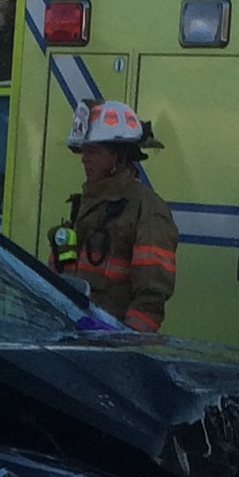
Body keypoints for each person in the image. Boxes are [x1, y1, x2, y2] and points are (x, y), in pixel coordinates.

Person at [48, 99, 178, 332]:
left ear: (119, 156)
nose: (85, 159)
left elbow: (151, 297)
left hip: (111, 344)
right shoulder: (87, 204)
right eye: (84, 150)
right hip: (75, 333)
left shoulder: (146, 209)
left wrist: (126, 343)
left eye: (94, 151)